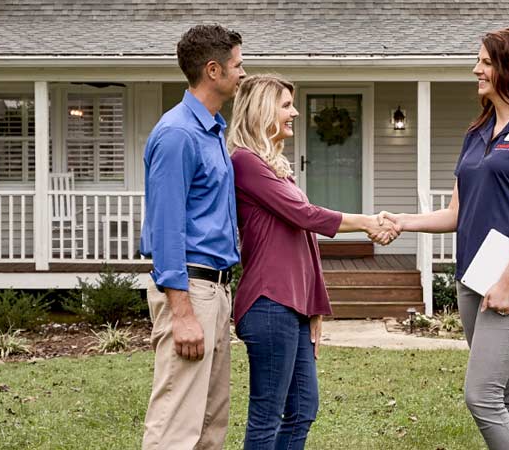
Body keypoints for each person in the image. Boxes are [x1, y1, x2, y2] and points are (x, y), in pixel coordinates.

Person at [380, 27, 509, 450]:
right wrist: (402, 221)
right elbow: (456, 214)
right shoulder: (477, 132)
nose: (475, 69)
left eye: (484, 61)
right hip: (471, 276)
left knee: (481, 395)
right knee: (505, 394)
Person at [226, 74, 397, 450]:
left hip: (293, 305)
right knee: (267, 416)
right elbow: (306, 216)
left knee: (303, 408)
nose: (295, 113)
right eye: (286, 105)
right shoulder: (245, 161)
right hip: (269, 303)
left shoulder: (273, 166)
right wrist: (367, 222)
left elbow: (303, 241)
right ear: (262, 110)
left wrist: (313, 305)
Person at [140, 24, 246, 450]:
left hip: (215, 290)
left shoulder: (213, 130)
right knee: (176, 425)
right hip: (190, 289)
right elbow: (166, 228)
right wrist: (181, 311)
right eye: (238, 65)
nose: (244, 73)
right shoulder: (178, 134)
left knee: (209, 423)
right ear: (213, 70)